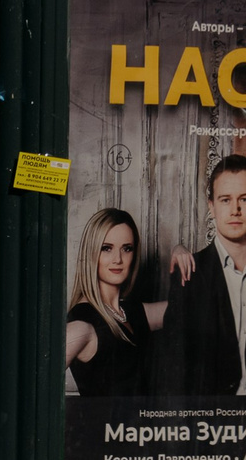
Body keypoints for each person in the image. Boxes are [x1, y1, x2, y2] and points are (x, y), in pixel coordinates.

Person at [157, 154, 246, 395]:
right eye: (225, 199)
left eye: (244, 199)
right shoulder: (190, 274)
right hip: (212, 422)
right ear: (211, 206)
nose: (236, 210)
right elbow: (174, 371)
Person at [66, 208, 167, 398]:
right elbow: (34, 383)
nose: (118, 259)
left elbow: (189, 307)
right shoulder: (82, 324)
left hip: (145, 427)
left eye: (127, 248)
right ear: (91, 253)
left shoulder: (129, 311)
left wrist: (182, 253)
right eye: (107, 248)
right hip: (106, 428)